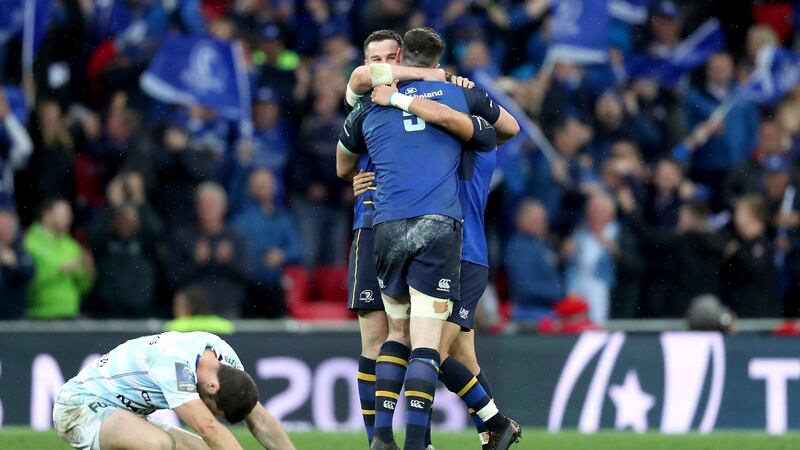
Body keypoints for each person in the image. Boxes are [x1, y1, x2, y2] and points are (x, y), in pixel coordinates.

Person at [337, 27, 519, 450]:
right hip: (380, 226)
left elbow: (496, 128)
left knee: (428, 347)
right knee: (416, 346)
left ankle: (463, 431)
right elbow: (345, 152)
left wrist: (425, 91)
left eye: (391, 56)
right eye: (375, 59)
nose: (382, 66)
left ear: (404, 57)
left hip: (454, 243)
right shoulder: (367, 101)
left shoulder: (445, 109)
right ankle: (483, 429)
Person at [53, 331, 294, 450]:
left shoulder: (224, 359)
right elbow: (208, 428)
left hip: (125, 415)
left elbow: (259, 419)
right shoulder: (174, 362)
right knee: (157, 444)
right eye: (214, 410)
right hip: (79, 407)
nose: (212, 414)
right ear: (212, 387)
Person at [166, 182, 249, 317]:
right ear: (196, 207)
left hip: (227, 310)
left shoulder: (236, 238)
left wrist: (229, 262)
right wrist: (196, 263)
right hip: (191, 312)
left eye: (211, 204)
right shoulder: (183, 237)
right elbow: (172, 278)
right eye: (203, 204)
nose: (206, 209)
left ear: (223, 207)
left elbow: (248, 274)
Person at [87, 173, 164, 318]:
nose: (126, 222)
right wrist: (112, 205)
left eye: (131, 218)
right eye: (121, 218)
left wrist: (140, 202)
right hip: (108, 312)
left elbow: (158, 232)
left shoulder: (145, 243)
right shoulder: (106, 241)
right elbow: (92, 235)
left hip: (142, 311)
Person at [232, 168, 302, 318]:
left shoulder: (283, 217)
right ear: (251, 188)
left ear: (274, 186)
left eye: (266, 183)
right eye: (259, 184)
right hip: (248, 288)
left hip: (275, 287)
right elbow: (241, 251)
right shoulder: (242, 218)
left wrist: (282, 255)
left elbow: (298, 249)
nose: (263, 188)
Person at [25, 198, 95, 319]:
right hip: (40, 315)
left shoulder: (71, 245)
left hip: (70, 314)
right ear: (47, 215)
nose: (69, 218)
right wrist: (59, 271)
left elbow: (83, 287)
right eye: (64, 213)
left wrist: (88, 272)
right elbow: (27, 282)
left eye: (70, 214)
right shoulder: (29, 243)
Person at [505, 200, 564, 324]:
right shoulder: (520, 246)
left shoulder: (540, 243)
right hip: (530, 315)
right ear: (522, 220)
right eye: (536, 219)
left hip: (547, 311)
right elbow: (524, 286)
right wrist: (557, 292)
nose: (542, 223)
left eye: (543, 219)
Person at [564, 193, 619, 323]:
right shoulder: (581, 231)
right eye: (592, 210)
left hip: (602, 284)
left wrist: (610, 246)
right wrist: (566, 251)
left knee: (598, 322)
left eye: (599, 211)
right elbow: (569, 260)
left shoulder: (617, 232)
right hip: (577, 283)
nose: (595, 214)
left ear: (610, 214)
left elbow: (626, 262)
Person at [722, 195, 779, 317]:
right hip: (744, 313)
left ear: (751, 215)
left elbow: (755, 269)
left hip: (760, 319)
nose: (735, 216)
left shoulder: (761, 243)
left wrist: (737, 252)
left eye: (739, 211)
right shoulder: (742, 244)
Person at [0, 204, 34, 319]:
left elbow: (30, 272)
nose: (4, 232)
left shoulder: (21, 249)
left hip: (15, 315)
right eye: (2, 227)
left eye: (8, 227)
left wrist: (15, 264)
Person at [165, 286, 235, 335]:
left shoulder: (174, 328)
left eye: (177, 305)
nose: (174, 310)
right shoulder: (225, 326)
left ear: (191, 307)